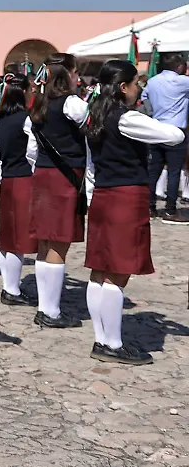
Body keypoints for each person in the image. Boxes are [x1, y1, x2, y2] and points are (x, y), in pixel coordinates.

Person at [84, 60, 185, 365]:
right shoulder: (125, 119)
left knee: (100, 271)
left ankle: (102, 339)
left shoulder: (94, 116)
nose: (139, 88)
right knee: (118, 271)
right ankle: (112, 343)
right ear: (124, 86)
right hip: (125, 196)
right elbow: (175, 136)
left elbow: (90, 166)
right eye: (136, 83)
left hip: (103, 194)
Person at [28, 53, 88, 329]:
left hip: (42, 173)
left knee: (45, 243)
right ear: (69, 74)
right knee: (58, 243)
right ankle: (50, 311)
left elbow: (31, 148)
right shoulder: (72, 104)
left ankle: (45, 306)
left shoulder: (40, 103)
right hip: (64, 176)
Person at [0, 73, 40, 307]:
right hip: (23, 179)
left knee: (7, 235)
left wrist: (3, 177)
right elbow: (33, 152)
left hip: (7, 181)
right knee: (19, 236)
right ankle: (12, 289)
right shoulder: (26, 119)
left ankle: (9, 286)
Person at [140, 52, 189, 223]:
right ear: (180, 66)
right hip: (176, 129)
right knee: (174, 172)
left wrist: (154, 110)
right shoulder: (183, 82)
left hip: (157, 128)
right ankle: (170, 210)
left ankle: (150, 206)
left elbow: (144, 97)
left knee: (154, 171)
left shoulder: (152, 81)